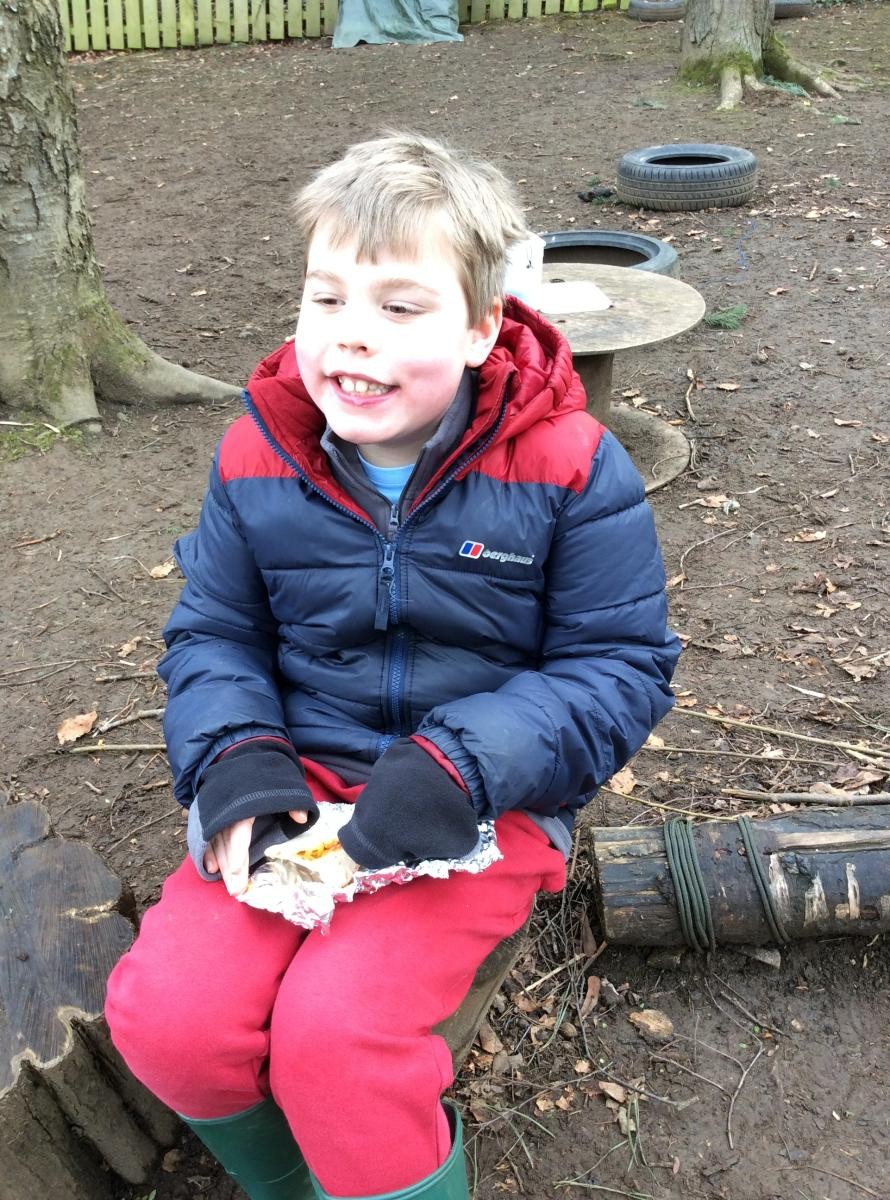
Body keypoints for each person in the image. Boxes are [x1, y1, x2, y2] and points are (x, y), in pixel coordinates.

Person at [105, 131, 679, 1200]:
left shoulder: (568, 464)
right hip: (298, 781)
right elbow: (215, 632)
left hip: (483, 805)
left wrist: (463, 762)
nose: (351, 336)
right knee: (170, 1022)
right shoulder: (257, 452)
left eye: (400, 307)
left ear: (480, 327)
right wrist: (236, 759)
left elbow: (618, 666)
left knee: (337, 1044)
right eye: (326, 299)